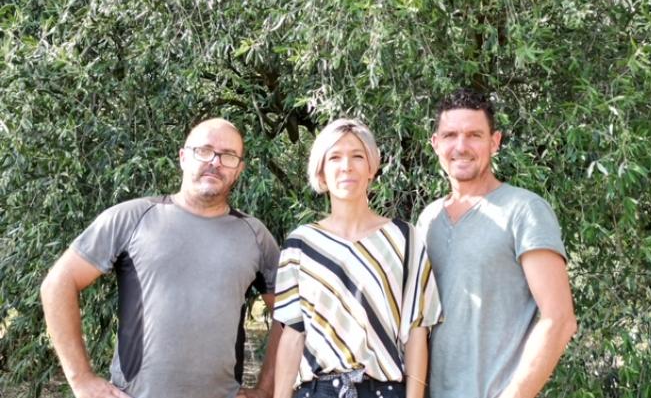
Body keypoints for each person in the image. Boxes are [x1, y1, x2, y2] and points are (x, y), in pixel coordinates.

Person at [41, 118, 282, 398]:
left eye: (228, 156)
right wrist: (81, 378)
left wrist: (266, 389)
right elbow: (58, 283)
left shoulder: (255, 236)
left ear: (238, 169)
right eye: (203, 150)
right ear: (183, 157)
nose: (215, 162)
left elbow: (289, 314)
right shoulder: (131, 218)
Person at [417, 88, 577, 398]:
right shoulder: (429, 219)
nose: (461, 146)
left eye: (474, 135)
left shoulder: (524, 210)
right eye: (450, 135)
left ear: (495, 141)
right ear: (436, 144)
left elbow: (560, 320)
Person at [273, 119, 441, 398]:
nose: (346, 166)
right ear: (322, 173)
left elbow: (416, 332)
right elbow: (293, 335)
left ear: (372, 168)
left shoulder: (404, 238)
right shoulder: (301, 244)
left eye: (357, 156)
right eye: (335, 157)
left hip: (384, 390)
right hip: (317, 391)